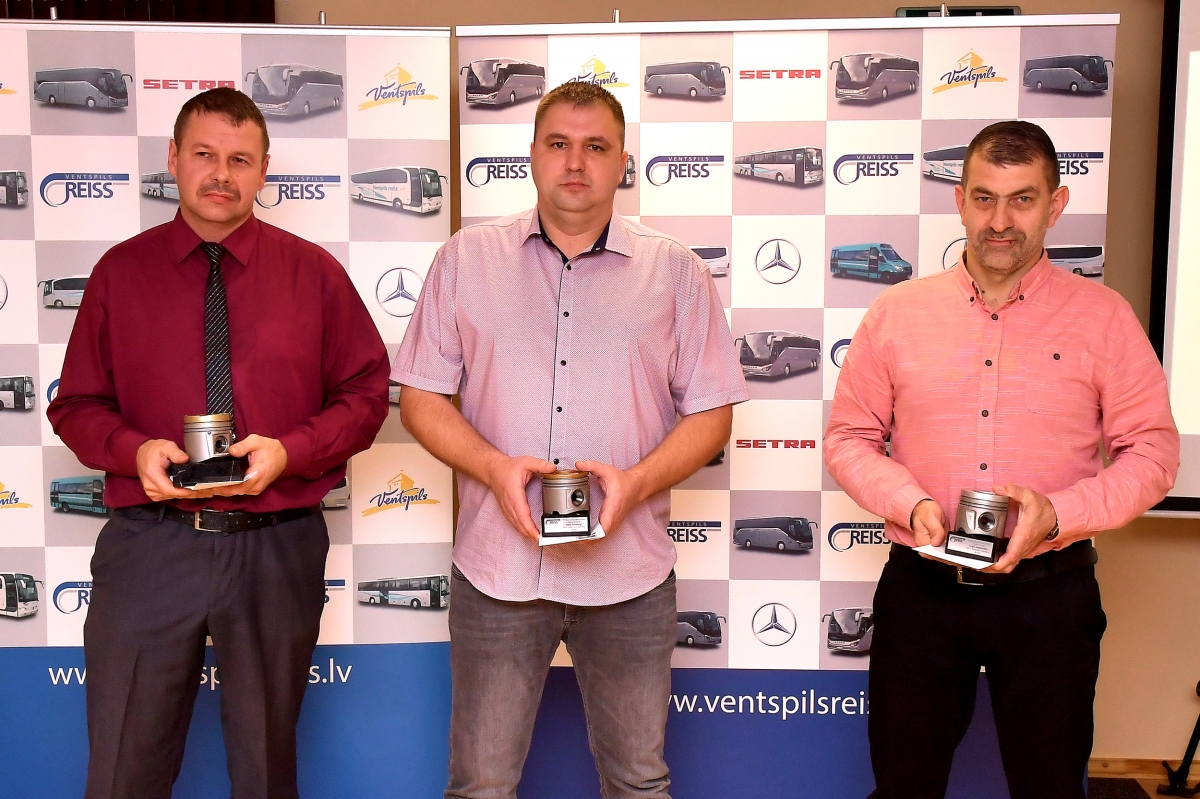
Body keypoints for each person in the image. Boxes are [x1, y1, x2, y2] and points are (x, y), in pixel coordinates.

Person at [393, 81, 747, 799]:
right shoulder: (466, 259)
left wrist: (637, 483)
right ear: (531, 155)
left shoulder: (675, 270)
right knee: (480, 786)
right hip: (498, 572)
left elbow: (713, 414)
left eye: (595, 147)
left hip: (628, 575)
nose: (575, 162)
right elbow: (421, 398)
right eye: (558, 144)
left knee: (638, 783)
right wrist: (493, 468)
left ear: (624, 162)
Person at [47, 88, 389, 799]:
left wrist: (291, 451)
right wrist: (133, 451)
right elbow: (75, 404)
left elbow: (364, 395)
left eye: (240, 159)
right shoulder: (120, 273)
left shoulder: (315, 274)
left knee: (265, 772)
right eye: (204, 154)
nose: (221, 174)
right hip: (150, 544)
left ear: (264, 170)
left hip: (275, 547)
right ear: (173, 159)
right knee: (123, 771)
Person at [825, 120, 1179, 799]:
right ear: (960, 200)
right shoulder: (896, 314)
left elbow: (1154, 452)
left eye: (1022, 199)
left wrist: (1060, 514)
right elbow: (848, 438)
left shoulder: (1105, 318)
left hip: (1050, 596)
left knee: (1050, 787)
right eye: (984, 198)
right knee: (903, 787)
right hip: (924, 591)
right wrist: (910, 503)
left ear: (1055, 204)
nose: (999, 221)